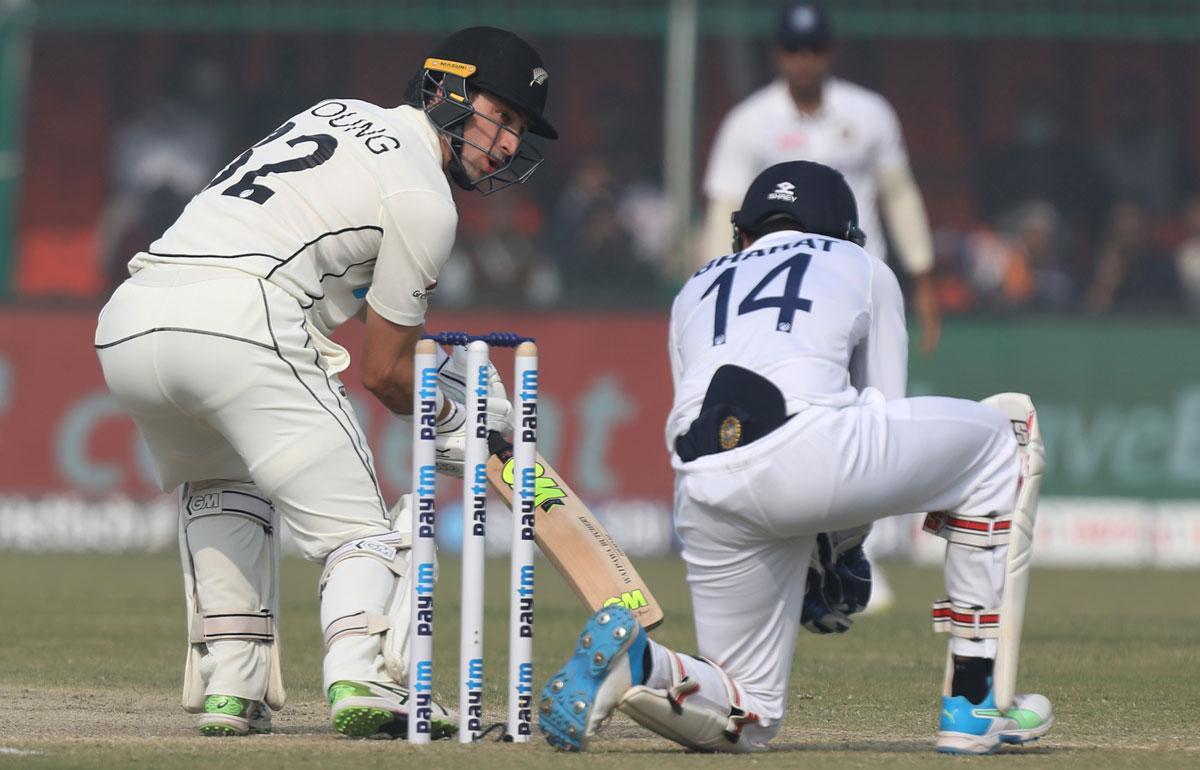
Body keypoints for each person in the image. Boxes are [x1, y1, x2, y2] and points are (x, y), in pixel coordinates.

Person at [93, 26, 557, 738]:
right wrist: (466, 423)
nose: (503, 145)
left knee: (225, 487)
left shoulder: (335, 110)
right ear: (448, 88)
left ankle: (232, 684)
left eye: (518, 131)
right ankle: (363, 678)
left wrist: (451, 400)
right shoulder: (423, 195)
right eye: (503, 117)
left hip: (129, 319)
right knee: (357, 533)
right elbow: (387, 375)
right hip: (239, 320)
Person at [536, 161, 1053, 755]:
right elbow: (882, 406)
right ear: (840, 228)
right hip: (810, 452)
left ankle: (642, 665)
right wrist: (844, 546)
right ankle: (973, 700)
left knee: (748, 713)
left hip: (703, 486)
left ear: (748, 228)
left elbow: (700, 415)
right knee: (997, 438)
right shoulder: (861, 265)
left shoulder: (693, 288)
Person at [699, 2, 940, 356]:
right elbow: (724, 211)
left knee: (875, 397)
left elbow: (899, 196)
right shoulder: (749, 121)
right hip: (778, 292)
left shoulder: (870, 113)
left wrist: (923, 278)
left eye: (815, 48)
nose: (804, 60)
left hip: (861, 280)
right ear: (777, 52)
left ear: (831, 51)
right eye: (793, 49)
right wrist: (719, 289)